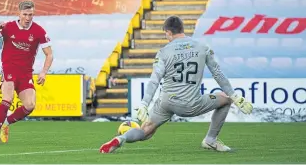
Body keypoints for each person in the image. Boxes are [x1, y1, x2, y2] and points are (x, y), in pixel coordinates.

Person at [99, 16, 253, 153]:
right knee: (225, 99)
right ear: (182, 29)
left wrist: (144, 104)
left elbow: (155, 79)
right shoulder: (203, 47)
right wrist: (234, 95)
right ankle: (210, 140)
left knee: (145, 131)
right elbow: (217, 73)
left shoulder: (164, 52)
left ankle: (120, 139)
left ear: (168, 32)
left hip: (166, 102)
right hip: (190, 104)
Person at [0, 0, 53, 146]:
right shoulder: (8, 27)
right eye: (25, 14)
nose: (28, 18)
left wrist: (43, 72)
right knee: (7, 99)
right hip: (9, 69)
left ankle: (6, 124)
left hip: (26, 73)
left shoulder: (39, 31)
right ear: (19, 13)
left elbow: (49, 54)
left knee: (30, 105)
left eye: (31, 15)